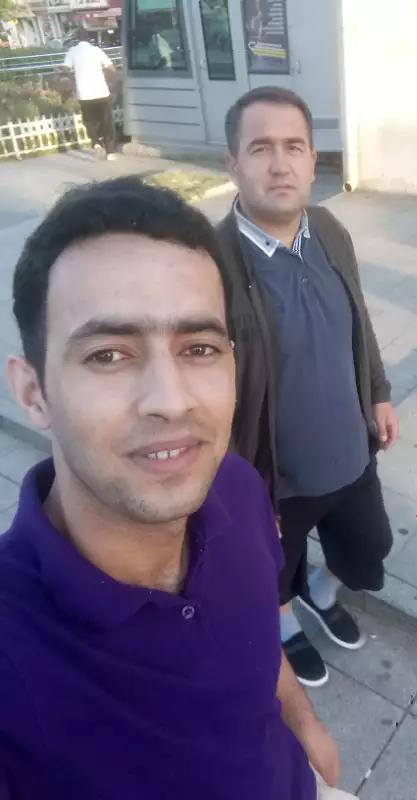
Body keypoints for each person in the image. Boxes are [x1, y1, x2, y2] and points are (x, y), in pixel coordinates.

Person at [0, 177, 358, 800]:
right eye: (108, 354)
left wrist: (301, 719)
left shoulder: (236, 488)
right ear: (34, 393)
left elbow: (254, 631)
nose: (171, 401)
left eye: (198, 347)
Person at [218, 88, 399, 687]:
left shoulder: (328, 228)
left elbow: (358, 318)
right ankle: (284, 624)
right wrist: (239, 492)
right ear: (232, 163)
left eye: (294, 146)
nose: (281, 164)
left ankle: (321, 596)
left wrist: (378, 392)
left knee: (370, 548)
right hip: (275, 480)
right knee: (271, 573)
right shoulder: (211, 264)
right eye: (261, 148)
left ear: (313, 158)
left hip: (350, 451)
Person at [62, 28, 117, 160]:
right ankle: (110, 152)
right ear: (89, 38)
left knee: (89, 120)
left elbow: (65, 69)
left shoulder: (72, 51)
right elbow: (111, 68)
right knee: (106, 121)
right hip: (101, 91)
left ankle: (96, 142)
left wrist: (74, 78)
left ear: (76, 39)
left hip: (84, 93)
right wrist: (108, 81)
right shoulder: (97, 50)